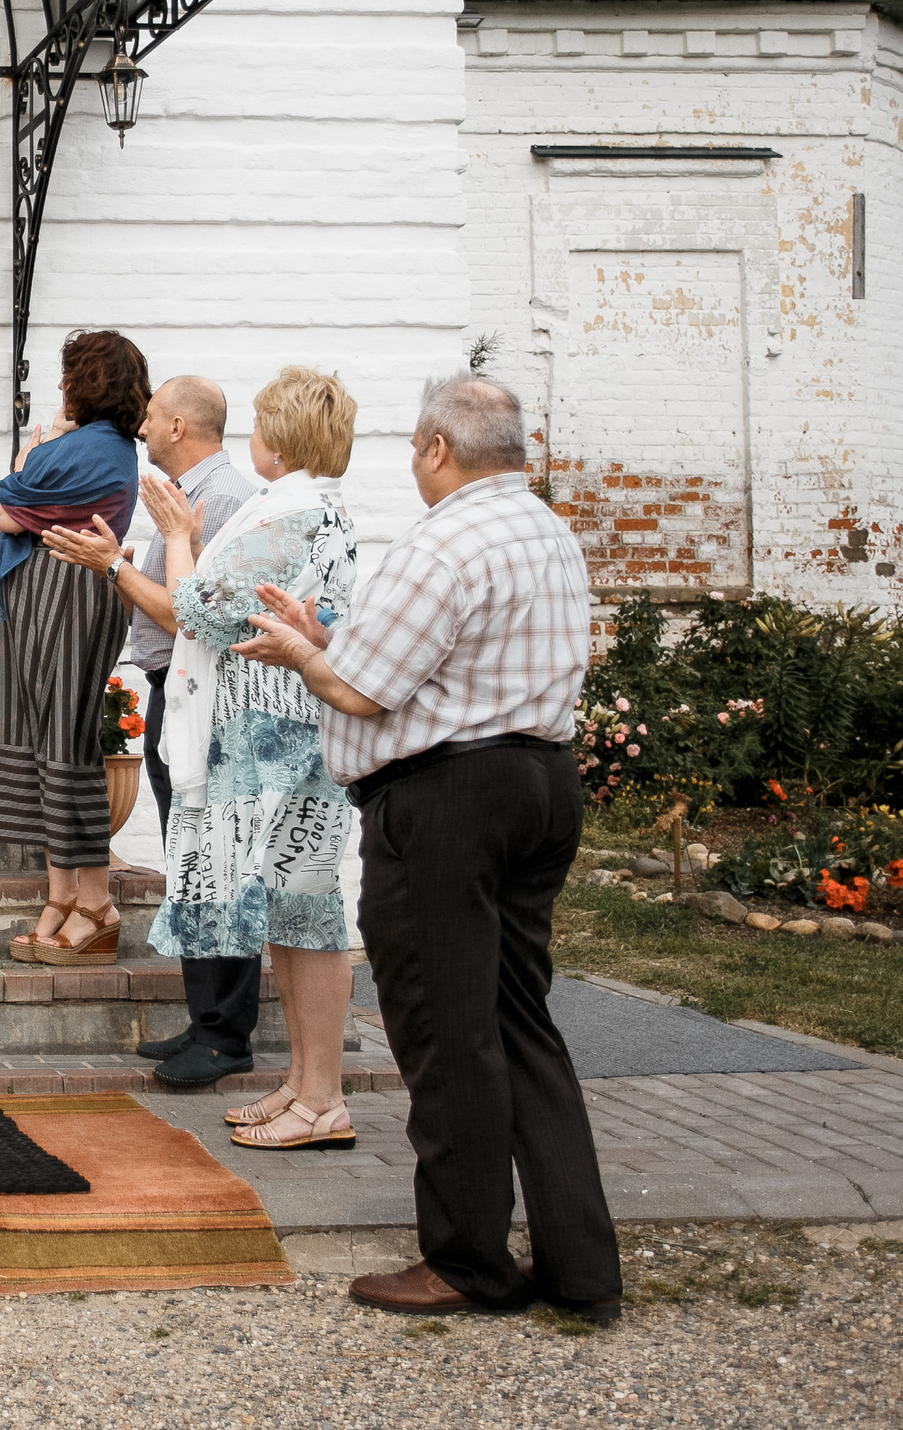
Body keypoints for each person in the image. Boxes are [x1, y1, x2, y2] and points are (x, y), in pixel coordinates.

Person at [230, 374, 619, 1322]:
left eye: (413, 447)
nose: (409, 463)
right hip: (539, 780)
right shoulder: (546, 531)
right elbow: (434, 660)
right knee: (519, 1019)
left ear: (441, 448)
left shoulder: (444, 538)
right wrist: (333, 638)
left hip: (448, 801)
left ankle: (467, 1260)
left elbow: (363, 692)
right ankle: (579, 1263)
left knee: (447, 1033)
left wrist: (302, 652)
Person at [47, 368, 361, 1111]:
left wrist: (168, 544)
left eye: (259, 424)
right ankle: (282, 1075)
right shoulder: (290, 509)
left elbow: (200, 614)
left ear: (280, 440)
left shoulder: (284, 515)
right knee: (265, 900)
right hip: (253, 724)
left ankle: (250, 1050)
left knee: (284, 903)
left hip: (267, 733)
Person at [0, 329, 146, 963]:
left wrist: (27, 461)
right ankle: (61, 897)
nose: (61, 385)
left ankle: (94, 903)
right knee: (46, 742)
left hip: (69, 593)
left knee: (63, 745)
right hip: (47, 593)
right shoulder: (91, 443)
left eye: (70, 375)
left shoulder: (93, 447)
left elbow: (8, 511)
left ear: (87, 383)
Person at [104, 376, 263, 1071]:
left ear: (176, 427)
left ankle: (227, 1033)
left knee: (216, 858)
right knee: (191, 857)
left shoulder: (221, 497)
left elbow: (182, 612)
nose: (140, 425)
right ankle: (205, 1021)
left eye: (150, 415)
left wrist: (110, 565)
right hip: (180, 688)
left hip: (208, 692)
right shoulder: (186, 493)